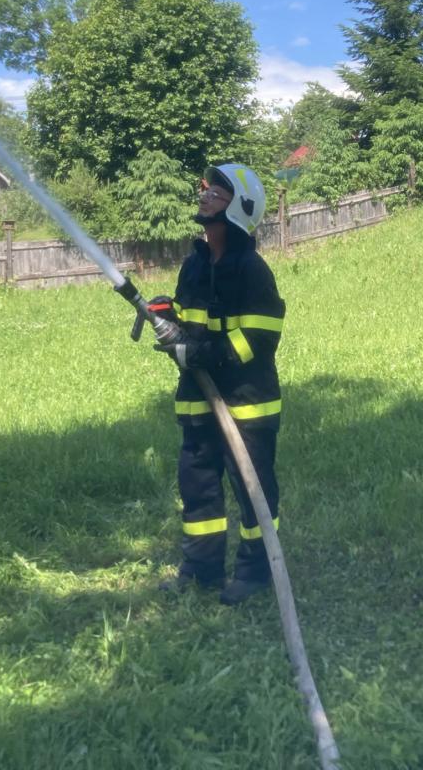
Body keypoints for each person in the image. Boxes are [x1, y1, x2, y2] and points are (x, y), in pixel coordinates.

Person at [152, 163, 286, 606]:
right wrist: (167, 317)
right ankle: (201, 569)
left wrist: (204, 354)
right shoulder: (194, 264)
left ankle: (256, 571)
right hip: (198, 401)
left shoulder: (251, 270)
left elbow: (259, 338)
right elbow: (193, 326)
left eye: (217, 193)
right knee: (198, 490)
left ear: (240, 208)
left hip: (246, 405)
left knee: (253, 492)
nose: (204, 195)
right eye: (206, 189)